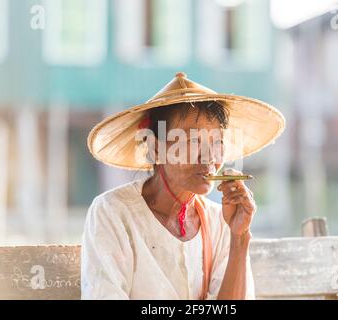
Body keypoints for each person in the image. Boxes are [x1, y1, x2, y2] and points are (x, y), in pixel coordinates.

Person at [82, 72, 285, 299]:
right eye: (192, 141)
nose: (209, 157)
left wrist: (238, 238)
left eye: (217, 141)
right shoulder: (113, 213)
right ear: (155, 148)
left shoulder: (222, 222)